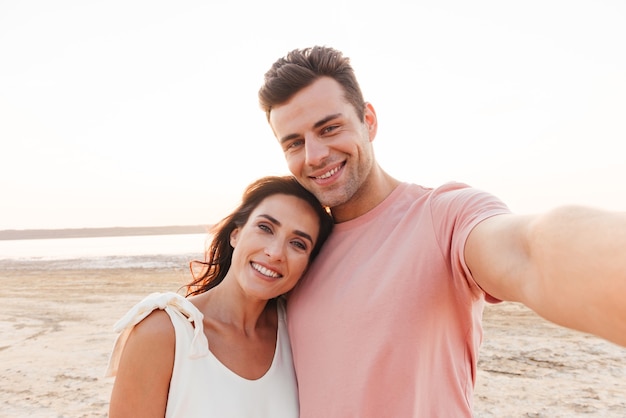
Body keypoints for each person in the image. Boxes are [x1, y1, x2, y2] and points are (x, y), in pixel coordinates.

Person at [257, 46, 626, 417]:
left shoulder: (444, 216)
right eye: (294, 143)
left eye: (330, 128)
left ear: (368, 120)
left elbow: (529, 252)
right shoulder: (299, 253)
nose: (315, 154)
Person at [105, 175, 333, 418]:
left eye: (298, 244)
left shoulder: (297, 333)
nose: (275, 253)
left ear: (308, 264)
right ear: (235, 234)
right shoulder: (163, 332)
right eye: (265, 228)